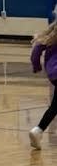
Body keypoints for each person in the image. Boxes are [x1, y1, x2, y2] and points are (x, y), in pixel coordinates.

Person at [29, 18, 57, 149]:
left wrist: (36, 66)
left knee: (55, 106)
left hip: (53, 74)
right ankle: (38, 130)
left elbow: (36, 50)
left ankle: (38, 131)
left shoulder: (50, 36)